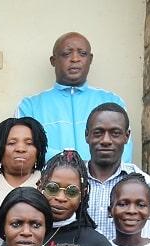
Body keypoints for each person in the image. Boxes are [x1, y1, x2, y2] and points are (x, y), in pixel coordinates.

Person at [17, 32, 131, 160]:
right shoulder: (30, 106)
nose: (75, 59)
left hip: (102, 178)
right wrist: (69, 165)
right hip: (50, 178)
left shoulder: (112, 101)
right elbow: (26, 149)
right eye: (66, 54)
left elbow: (124, 150)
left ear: (90, 59)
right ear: (53, 61)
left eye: (82, 53)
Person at [84, 102, 150, 243]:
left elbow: (149, 243)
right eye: (98, 133)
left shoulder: (148, 186)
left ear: (126, 136)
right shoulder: (71, 182)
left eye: (115, 133)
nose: (106, 140)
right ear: (87, 135)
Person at [0, 116, 48, 223]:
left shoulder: (49, 186)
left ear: (39, 151)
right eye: (11, 143)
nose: (20, 149)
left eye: (29, 143)